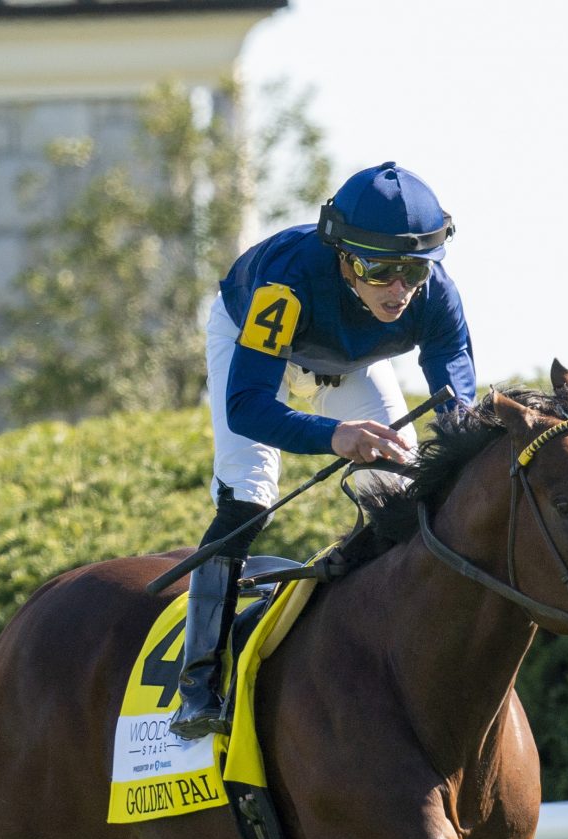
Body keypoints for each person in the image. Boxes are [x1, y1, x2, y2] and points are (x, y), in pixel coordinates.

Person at [169, 161, 478, 740]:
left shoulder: (435, 297)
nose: (398, 290)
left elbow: (457, 411)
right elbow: (249, 407)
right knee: (248, 499)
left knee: (395, 486)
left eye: (413, 269)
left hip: (350, 363)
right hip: (256, 351)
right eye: (380, 269)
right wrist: (333, 437)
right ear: (342, 256)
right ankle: (199, 683)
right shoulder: (285, 284)